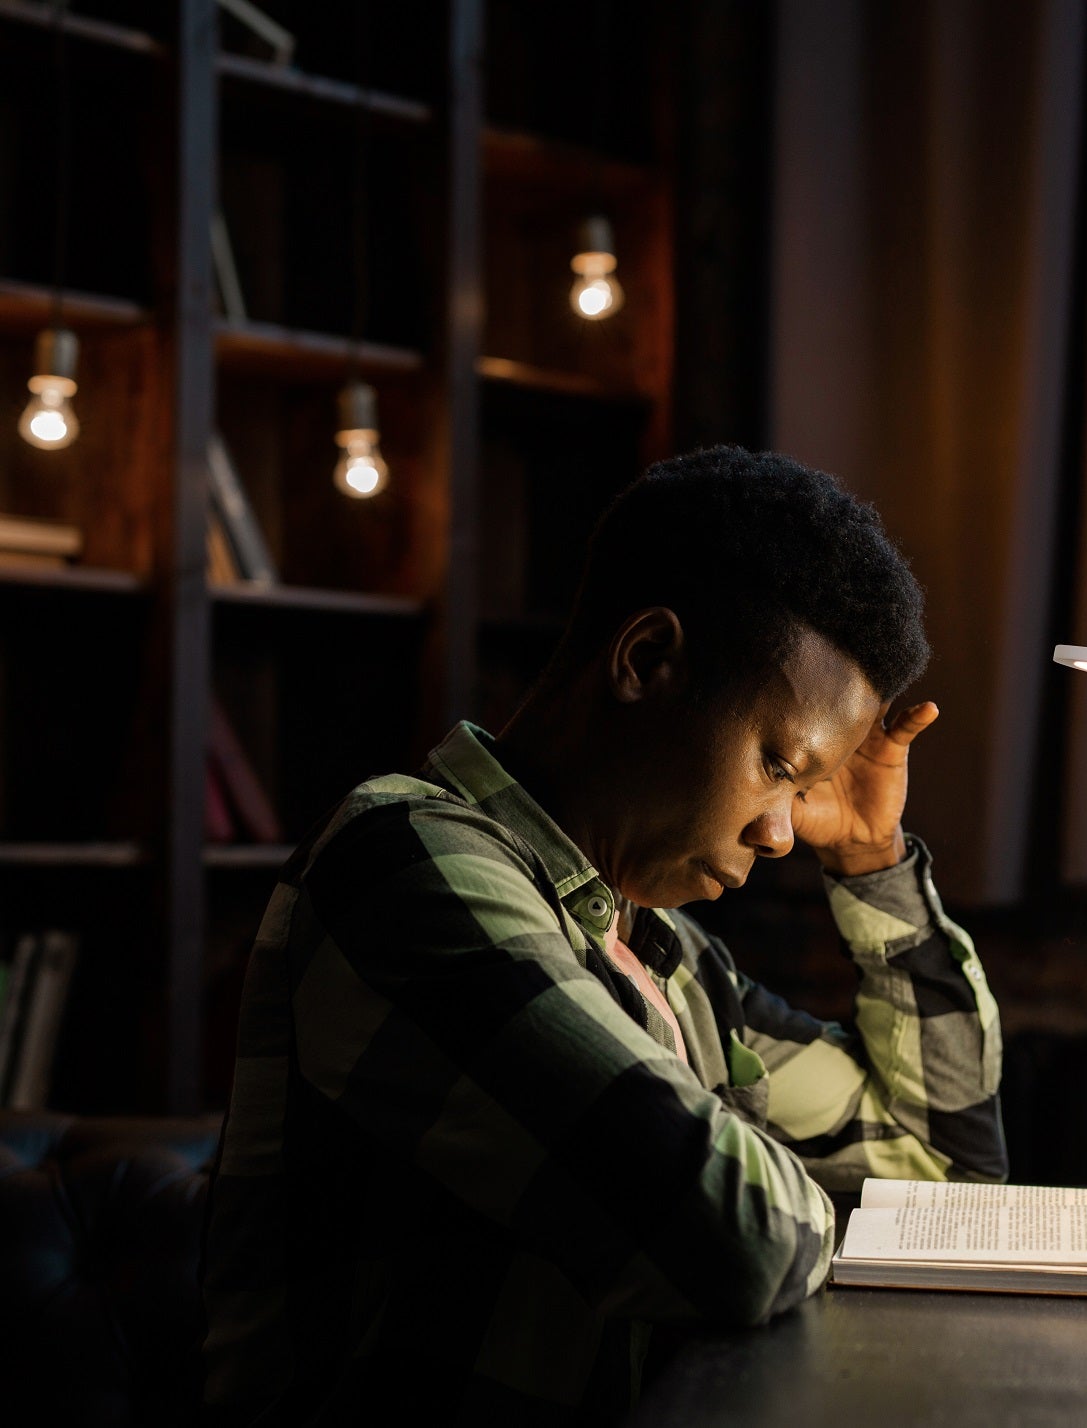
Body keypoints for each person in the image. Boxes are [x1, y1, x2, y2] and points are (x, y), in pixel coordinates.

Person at [200, 448, 1006, 1424]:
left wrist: (873, 862)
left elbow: (949, 1185)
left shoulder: (664, 949)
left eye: (804, 792)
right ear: (645, 662)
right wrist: (790, 1190)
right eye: (778, 765)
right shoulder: (403, 864)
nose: (783, 833)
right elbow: (732, 1238)